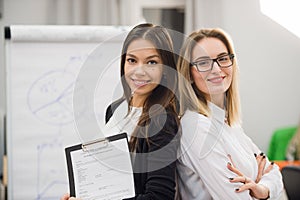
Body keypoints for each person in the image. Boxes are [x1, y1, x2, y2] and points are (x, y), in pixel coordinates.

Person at [61, 23, 180, 200]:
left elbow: (159, 196)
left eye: (151, 62)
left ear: (165, 69)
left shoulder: (162, 120)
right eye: (132, 60)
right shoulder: (114, 109)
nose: (139, 71)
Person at [176, 28, 283, 199]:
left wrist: (262, 189)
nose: (217, 69)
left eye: (223, 58)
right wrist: (258, 185)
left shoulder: (228, 124)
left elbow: (274, 171)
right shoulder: (196, 127)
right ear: (188, 73)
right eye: (203, 62)